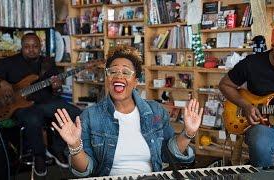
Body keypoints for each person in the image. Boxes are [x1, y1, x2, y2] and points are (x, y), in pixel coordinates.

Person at [52, 45, 203, 177]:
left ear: (136, 81)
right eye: (113, 72)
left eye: (125, 72)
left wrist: (188, 133)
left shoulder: (156, 111)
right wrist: (75, 147)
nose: (119, 76)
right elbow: (85, 170)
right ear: (107, 77)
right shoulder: (90, 116)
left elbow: (168, 155)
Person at [0, 33, 81, 176]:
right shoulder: (10, 62)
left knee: (75, 113)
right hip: (21, 107)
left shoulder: (47, 63)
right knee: (33, 118)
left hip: (46, 103)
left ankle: (56, 148)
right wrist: (2, 83)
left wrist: (56, 87)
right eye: (27, 47)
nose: (31, 50)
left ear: (40, 47)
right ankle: (39, 155)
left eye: (35, 46)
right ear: (21, 47)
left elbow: (56, 91)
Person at [219, 15, 274, 168]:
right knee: (259, 142)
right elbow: (225, 85)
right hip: (265, 128)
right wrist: (245, 105)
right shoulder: (252, 64)